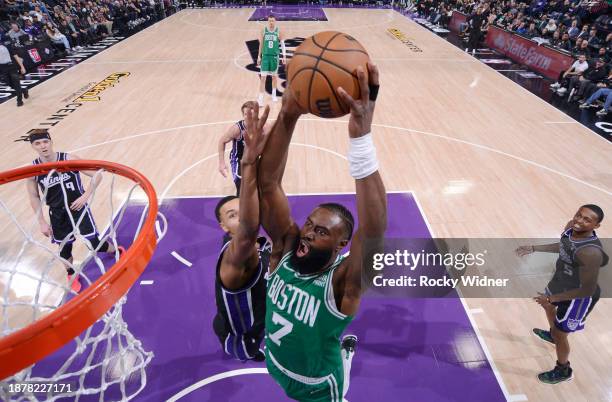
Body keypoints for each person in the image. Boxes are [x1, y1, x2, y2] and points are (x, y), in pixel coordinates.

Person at [258, 62, 387, 401]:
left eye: (321, 233)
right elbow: (268, 184)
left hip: (318, 388)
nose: (309, 234)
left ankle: (344, 355)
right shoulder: (284, 250)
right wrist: (288, 114)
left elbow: (373, 232)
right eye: (310, 226)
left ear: (341, 245)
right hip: (275, 362)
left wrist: (361, 139)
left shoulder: (342, 281)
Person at [21, 129, 124, 293]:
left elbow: (97, 175)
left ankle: (116, 251)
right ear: (33, 146)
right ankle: (71, 273)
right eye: (37, 143)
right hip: (57, 213)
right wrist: (41, 222)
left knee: (93, 244)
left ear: (51, 142)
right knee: (64, 250)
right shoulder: (33, 170)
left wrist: (86, 195)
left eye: (45, 142)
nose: (43, 146)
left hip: (78, 208)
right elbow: (34, 196)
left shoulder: (68, 159)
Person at [516, 205, 608, 384]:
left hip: (578, 297)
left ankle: (563, 369)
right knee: (547, 306)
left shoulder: (591, 252)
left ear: (596, 226)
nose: (579, 221)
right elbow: (563, 247)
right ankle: (553, 334)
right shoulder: (570, 228)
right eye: (578, 215)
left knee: (561, 334)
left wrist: (551, 297)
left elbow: (587, 289)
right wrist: (535, 248)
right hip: (560, 282)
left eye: (587, 220)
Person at [212, 104, 272, 362]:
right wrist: (227, 162)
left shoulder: (252, 243)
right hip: (247, 330)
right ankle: (242, 349)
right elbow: (249, 226)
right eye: (233, 214)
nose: (244, 214)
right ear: (224, 227)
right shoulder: (236, 254)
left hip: (254, 303)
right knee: (246, 344)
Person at [217, 101, 271, 195]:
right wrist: (221, 163)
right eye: (245, 114)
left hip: (255, 158)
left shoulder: (264, 128)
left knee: (262, 184)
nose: (248, 116)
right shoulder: (237, 129)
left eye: (250, 113)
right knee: (241, 184)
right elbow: (222, 141)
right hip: (238, 158)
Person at [257, 15, 286, 106]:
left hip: (274, 57)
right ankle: (260, 98)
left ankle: (274, 95)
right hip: (265, 57)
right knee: (263, 78)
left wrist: (284, 56)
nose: (271, 22)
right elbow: (261, 44)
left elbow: (282, 44)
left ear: (275, 21)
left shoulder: (278, 31)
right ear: (268, 21)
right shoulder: (263, 31)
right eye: (269, 21)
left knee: (274, 77)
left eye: (272, 21)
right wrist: (259, 56)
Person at [0, 42, 29, 107]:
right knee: (8, 83)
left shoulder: (7, 45)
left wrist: (22, 67)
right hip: (2, 68)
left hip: (11, 66)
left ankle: (19, 100)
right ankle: (24, 90)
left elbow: (16, 57)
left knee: (16, 83)